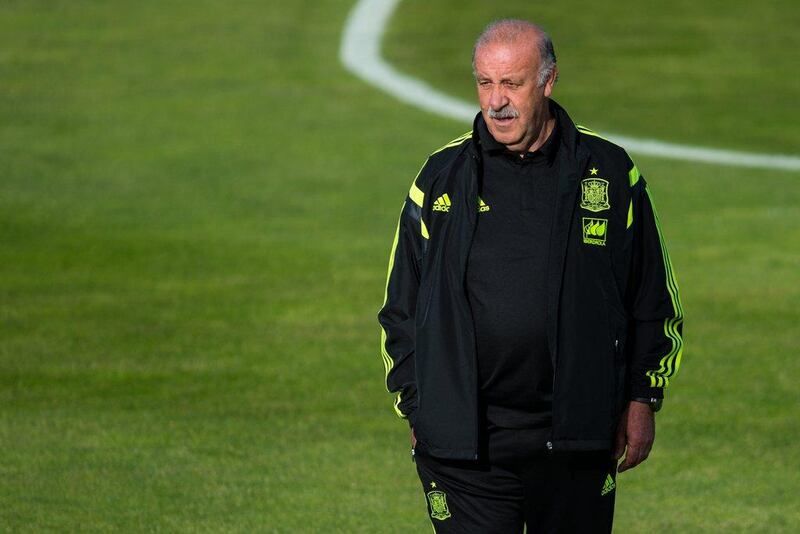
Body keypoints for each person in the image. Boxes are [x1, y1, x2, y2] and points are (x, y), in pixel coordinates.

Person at [377, 19, 683, 533]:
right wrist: (418, 405)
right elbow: (400, 307)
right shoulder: (439, 177)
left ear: (548, 81)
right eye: (484, 83)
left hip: (577, 437)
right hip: (466, 448)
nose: (496, 102)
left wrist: (643, 397)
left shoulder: (609, 172)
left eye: (511, 84)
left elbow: (651, 298)